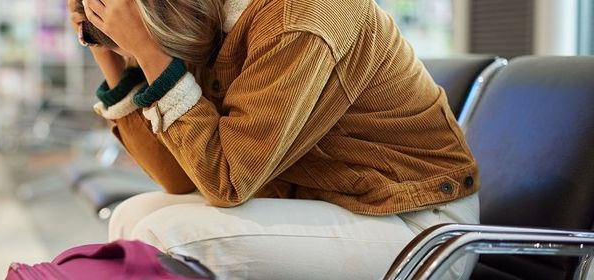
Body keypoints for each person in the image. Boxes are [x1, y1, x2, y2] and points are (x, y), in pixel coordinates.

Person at [67, 0, 480, 279]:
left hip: (418, 224)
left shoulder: (303, 16)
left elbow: (226, 181)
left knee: (167, 232)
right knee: (132, 215)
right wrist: (108, 50)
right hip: (324, 202)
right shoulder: (216, 15)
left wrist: (148, 50)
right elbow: (180, 178)